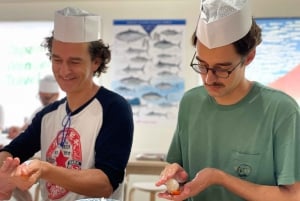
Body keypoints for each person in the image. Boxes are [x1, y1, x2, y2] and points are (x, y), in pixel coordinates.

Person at [155, 0, 300, 201]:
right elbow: (177, 168)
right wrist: (175, 175)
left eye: (222, 68)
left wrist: (219, 178)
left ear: (249, 57)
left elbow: (293, 196)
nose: (208, 78)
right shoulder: (191, 103)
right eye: (202, 65)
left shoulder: (281, 110)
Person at [0, 6, 133, 201]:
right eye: (57, 60)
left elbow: (105, 183)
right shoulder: (48, 115)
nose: (63, 70)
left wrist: (45, 170)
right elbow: (13, 151)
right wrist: (5, 169)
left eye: (75, 62)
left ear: (96, 61)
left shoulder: (114, 108)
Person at [8, 74, 60, 139]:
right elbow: (27, 128)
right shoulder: (39, 110)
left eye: (47, 98)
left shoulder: (60, 112)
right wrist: (18, 130)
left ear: (57, 95)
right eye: (41, 97)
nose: (43, 101)